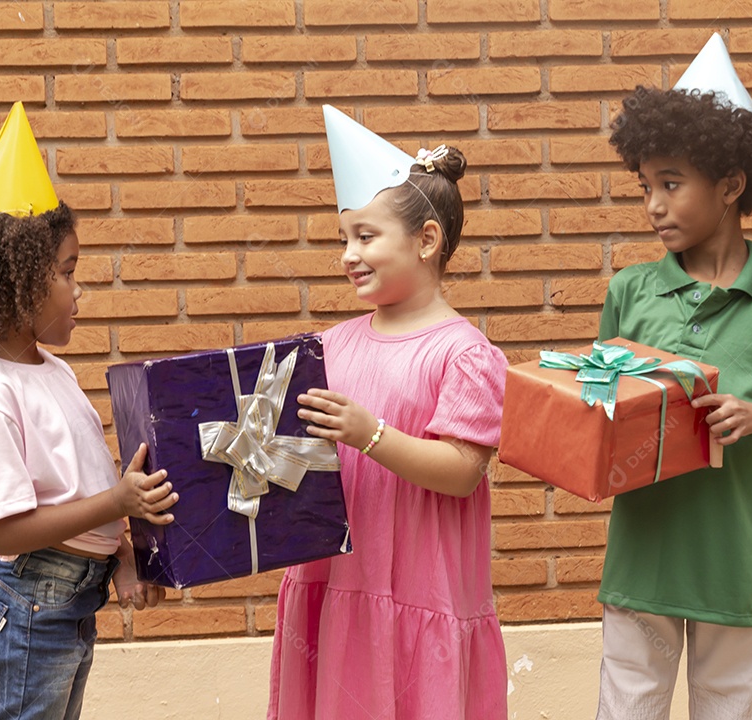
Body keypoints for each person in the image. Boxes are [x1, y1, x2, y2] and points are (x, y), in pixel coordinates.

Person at [594, 35, 752, 720]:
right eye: (646, 186)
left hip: (737, 561)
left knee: (731, 711)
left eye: (671, 184)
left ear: (731, 185)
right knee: (626, 709)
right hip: (643, 559)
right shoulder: (632, 291)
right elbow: (600, 412)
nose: (653, 204)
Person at [0, 102, 178, 720]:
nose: (79, 288)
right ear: (17, 285)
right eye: (67, 272)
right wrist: (119, 505)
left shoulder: (50, 370)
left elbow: (86, 483)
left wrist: (125, 559)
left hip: (67, 599)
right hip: (29, 599)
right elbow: (3, 530)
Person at [266, 106, 509, 720]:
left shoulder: (464, 353)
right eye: (344, 237)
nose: (349, 254)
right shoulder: (329, 346)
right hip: (336, 581)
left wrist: (367, 433)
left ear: (426, 240)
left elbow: (462, 470)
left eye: (366, 236)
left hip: (421, 589)